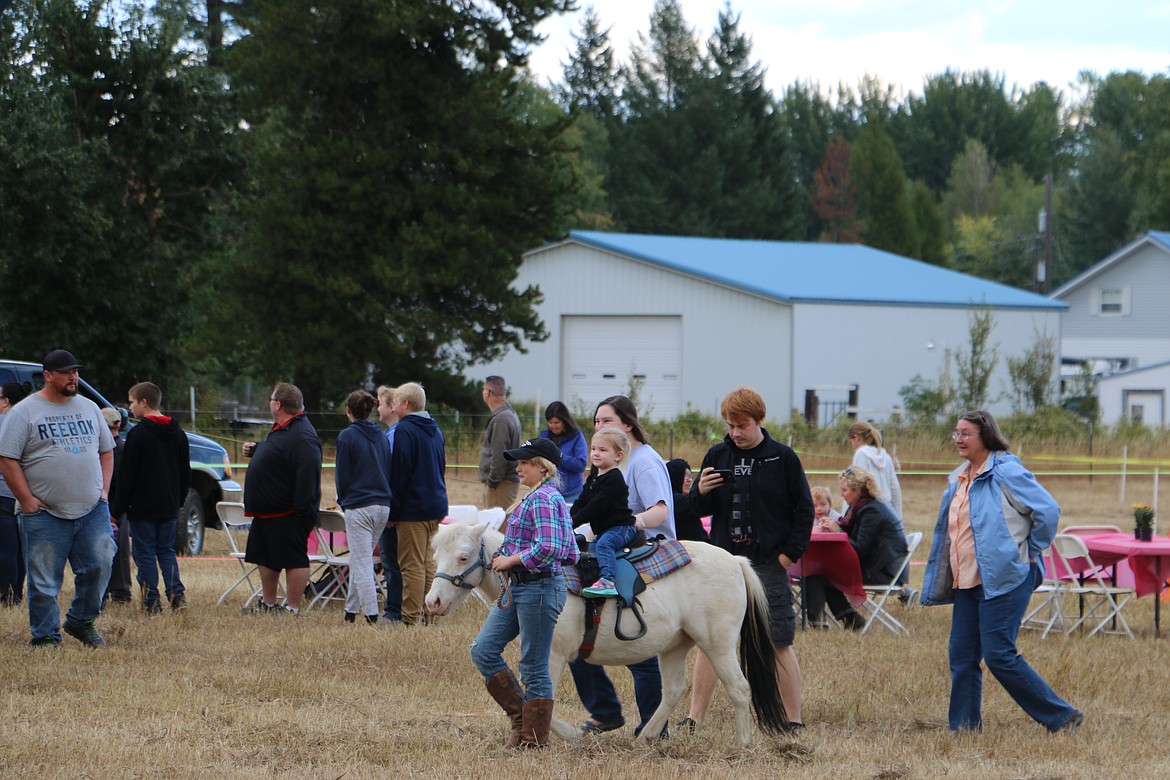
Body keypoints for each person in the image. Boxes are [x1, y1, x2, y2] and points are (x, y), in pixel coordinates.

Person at [921, 410, 1083, 734]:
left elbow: (1048, 511)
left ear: (986, 436)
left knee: (998, 655)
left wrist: (1030, 551)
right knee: (962, 656)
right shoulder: (960, 477)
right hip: (967, 580)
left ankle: (1062, 717)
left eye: (966, 433)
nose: (959, 440)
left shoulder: (1007, 471)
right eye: (956, 433)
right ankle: (964, 729)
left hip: (1006, 578)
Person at [683, 387, 812, 731]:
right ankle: (694, 718)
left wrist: (786, 558)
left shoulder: (783, 458)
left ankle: (793, 720)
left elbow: (805, 511)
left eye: (742, 425)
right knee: (711, 641)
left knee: (778, 641)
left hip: (770, 564)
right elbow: (697, 509)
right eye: (730, 425)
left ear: (759, 421)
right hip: (723, 567)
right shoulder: (717, 454)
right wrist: (701, 492)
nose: (736, 433)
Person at [568, 395, 674, 738]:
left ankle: (653, 727)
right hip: (611, 544)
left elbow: (660, 512)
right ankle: (606, 711)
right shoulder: (607, 460)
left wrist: (625, 526)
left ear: (627, 424)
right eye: (596, 422)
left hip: (642, 551)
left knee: (637, 647)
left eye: (607, 421)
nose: (599, 427)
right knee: (576, 634)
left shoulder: (643, 462)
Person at [0, 349, 116, 647]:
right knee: (43, 582)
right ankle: (45, 637)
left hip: (91, 509)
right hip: (44, 513)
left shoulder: (89, 408)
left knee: (102, 562)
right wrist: (26, 500)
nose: (73, 377)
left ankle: (81, 620)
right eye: (66, 372)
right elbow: (7, 458)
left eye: (75, 371)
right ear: (48, 375)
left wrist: (103, 491)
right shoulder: (24, 412)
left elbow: (106, 450)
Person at [470, 436, 578, 749]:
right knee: (483, 650)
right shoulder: (540, 496)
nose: (519, 468)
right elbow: (568, 548)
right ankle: (522, 720)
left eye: (526, 463)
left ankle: (532, 740)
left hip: (539, 587)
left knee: (533, 665)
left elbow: (551, 548)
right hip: (522, 586)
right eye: (519, 462)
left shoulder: (543, 498)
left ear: (543, 468)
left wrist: (511, 559)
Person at [241, 382, 323, 614]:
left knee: (294, 559)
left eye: (270, 399)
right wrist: (258, 450)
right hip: (266, 512)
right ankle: (269, 603)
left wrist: (302, 511)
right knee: (265, 557)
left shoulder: (303, 435)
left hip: (289, 513)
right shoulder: (281, 427)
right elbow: (280, 455)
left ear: (277, 404)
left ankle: (292, 607)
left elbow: (307, 475)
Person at [112, 382, 190, 613]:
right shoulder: (178, 433)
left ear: (144, 402)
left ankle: (151, 601)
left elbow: (127, 477)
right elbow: (185, 473)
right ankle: (177, 595)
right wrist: (179, 500)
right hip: (169, 505)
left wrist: (117, 510)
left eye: (132, 402)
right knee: (166, 550)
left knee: (145, 552)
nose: (130, 407)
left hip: (142, 507)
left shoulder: (138, 435)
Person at [802, 467, 908, 630]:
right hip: (878, 566)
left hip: (883, 572)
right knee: (818, 571)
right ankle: (847, 619)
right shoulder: (863, 507)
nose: (841, 494)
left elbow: (859, 549)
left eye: (844, 490)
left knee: (817, 573)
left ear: (857, 489)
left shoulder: (871, 511)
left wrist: (837, 531)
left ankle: (824, 622)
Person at [387, 382, 447, 626]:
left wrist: (393, 509)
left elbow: (400, 472)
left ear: (405, 404)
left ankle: (410, 617)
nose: (392, 407)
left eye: (394, 402)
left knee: (411, 564)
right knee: (427, 562)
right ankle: (430, 614)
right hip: (435, 504)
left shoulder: (405, 430)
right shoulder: (435, 428)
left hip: (412, 508)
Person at [335, 390, 393, 625]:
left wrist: (343, 500)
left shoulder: (347, 437)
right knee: (360, 557)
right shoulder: (381, 435)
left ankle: (371, 615)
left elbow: (342, 474)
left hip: (359, 505)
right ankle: (351, 610)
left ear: (348, 410)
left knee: (361, 561)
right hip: (383, 505)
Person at [849, 420, 914, 601]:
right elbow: (895, 487)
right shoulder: (884, 455)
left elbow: (856, 484)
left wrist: (847, 515)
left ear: (856, 438)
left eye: (851, 441)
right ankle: (900, 588)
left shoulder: (860, 453)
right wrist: (897, 517)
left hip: (867, 512)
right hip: (886, 512)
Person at [572, 427, 638, 599]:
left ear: (617, 456)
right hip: (606, 528)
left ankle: (608, 581)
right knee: (592, 547)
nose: (595, 453)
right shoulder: (594, 477)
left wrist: (573, 523)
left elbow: (595, 507)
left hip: (621, 527)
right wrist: (566, 520)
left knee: (604, 545)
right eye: (593, 449)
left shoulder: (614, 479)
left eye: (602, 450)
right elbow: (582, 501)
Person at [0, 381, 31, 606]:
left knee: (6, 547)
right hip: (24, 492)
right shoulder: (27, 420)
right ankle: (17, 593)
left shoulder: (3, 421)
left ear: (6, 401)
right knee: (19, 548)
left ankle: (7, 596)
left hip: (3, 491)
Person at [375, 384, 403, 624]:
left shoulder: (395, 436)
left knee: (392, 561)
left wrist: (391, 509)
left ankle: (394, 610)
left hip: (393, 510)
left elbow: (391, 475)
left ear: (392, 407)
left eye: (381, 403)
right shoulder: (390, 435)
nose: (378, 408)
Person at [101, 406, 133, 607]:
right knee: (119, 551)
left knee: (105, 551)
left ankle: (109, 592)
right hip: (120, 507)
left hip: (110, 507)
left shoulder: (109, 450)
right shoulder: (124, 447)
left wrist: (114, 512)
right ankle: (120, 592)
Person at [478, 375, 520, 510]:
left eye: (484, 388)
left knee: (497, 528)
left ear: (487, 392)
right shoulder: (509, 414)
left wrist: (492, 482)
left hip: (501, 485)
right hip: (504, 483)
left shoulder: (501, 419)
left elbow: (499, 455)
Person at [538, 401, 587, 503]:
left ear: (565, 421)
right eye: (550, 423)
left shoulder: (576, 437)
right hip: (548, 493)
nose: (553, 426)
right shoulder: (543, 437)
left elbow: (581, 464)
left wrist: (559, 457)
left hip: (572, 494)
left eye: (556, 423)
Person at [667, 458, 709, 542]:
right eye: (684, 476)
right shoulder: (677, 501)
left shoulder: (664, 499)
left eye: (690, 477)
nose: (689, 481)